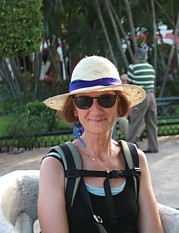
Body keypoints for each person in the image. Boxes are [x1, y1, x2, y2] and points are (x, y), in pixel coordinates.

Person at [39, 56, 163, 233]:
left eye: (106, 99)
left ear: (119, 105)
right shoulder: (55, 165)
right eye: (84, 101)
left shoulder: (135, 160)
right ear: (74, 109)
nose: (96, 110)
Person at [126, 48, 159, 153]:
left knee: (135, 122)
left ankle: (129, 147)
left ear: (136, 57)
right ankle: (153, 146)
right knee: (152, 122)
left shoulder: (133, 67)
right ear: (146, 57)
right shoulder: (151, 68)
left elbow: (130, 84)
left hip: (140, 95)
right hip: (151, 96)